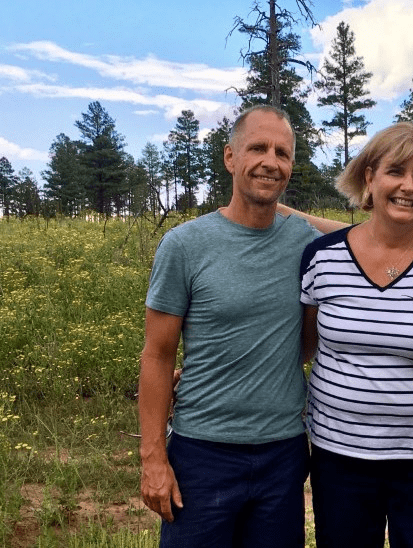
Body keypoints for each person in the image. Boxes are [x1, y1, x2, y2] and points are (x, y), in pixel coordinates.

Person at [300, 122, 413, 548]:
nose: (408, 186)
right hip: (338, 458)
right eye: (395, 172)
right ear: (370, 177)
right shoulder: (321, 259)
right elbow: (303, 350)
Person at [138, 105, 318, 547]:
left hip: (283, 454)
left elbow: (369, 235)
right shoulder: (185, 245)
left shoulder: (307, 245)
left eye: (283, 153)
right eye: (257, 147)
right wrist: (153, 458)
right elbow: (157, 354)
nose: (270, 161)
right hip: (202, 453)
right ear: (230, 157)